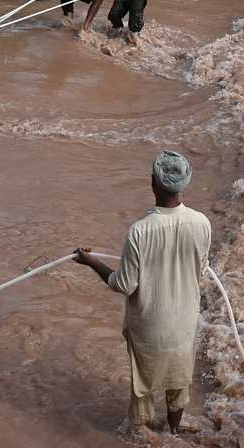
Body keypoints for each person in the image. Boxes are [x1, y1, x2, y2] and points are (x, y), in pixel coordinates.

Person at [75, 150, 212, 436]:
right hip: (184, 321)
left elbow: (122, 284)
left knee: (143, 386)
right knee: (179, 381)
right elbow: (202, 269)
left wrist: (92, 262)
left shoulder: (139, 231)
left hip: (150, 326)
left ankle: (141, 435)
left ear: (152, 183)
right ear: (184, 184)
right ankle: (173, 431)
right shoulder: (201, 223)